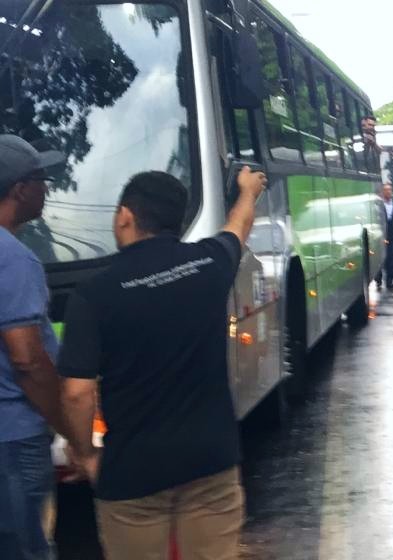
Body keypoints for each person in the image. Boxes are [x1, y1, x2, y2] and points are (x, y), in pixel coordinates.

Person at [58, 167, 267, 560]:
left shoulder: (93, 295)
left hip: (133, 476)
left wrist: (85, 454)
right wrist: (247, 191)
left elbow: (76, 393)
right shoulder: (208, 264)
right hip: (211, 463)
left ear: (125, 216)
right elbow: (238, 226)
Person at [0, 135, 66, 560]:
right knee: (28, 549)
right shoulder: (14, 258)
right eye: (42, 179)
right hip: (16, 438)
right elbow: (26, 359)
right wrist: (66, 423)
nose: (48, 188)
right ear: (20, 189)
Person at [378, 183, 393, 289]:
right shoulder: (378, 205)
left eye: (390, 190)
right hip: (380, 238)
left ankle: (389, 281)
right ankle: (378, 279)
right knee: (379, 259)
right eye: (386, 190)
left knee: (392, 260)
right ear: (383, 192)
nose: (388, 192)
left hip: (392, 238)